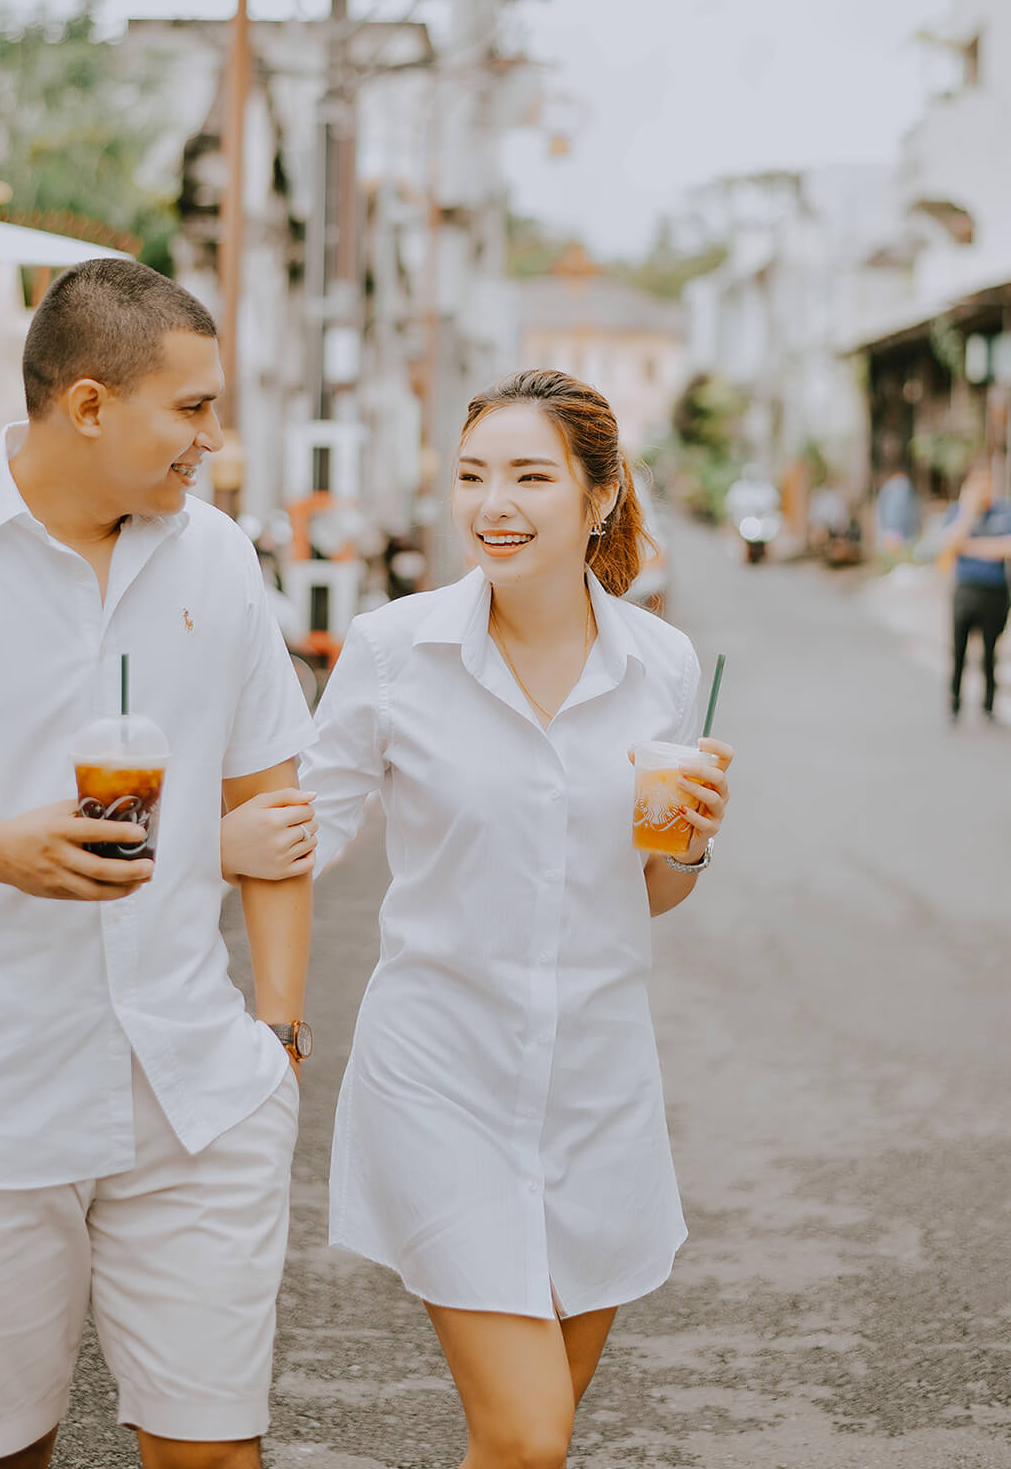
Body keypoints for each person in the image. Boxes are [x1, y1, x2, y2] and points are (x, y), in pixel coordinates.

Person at [0, 258, 322, 1469]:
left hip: (198, 1096)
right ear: (90, 405)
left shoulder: (217, 559)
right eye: (192, 407)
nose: (216, 436)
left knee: (214, 1452)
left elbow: (272, 789)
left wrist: (277, 1029)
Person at [226, 368, 732, 1469]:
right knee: (528, 1429)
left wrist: (689, 836)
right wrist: (202, 854)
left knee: (519, 1438)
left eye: (527, 475)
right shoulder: (394, 649)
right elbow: (302, 832)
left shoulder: (660, 663)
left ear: (598, 495)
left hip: (598, 1086)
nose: (491, 502)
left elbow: (653, 889)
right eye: (470, 475)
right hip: (442, 1073)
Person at [940, 454, 1011, 720]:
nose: (983, 488)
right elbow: (948, 548)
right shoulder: (958, 512)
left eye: (987, 482)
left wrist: (972, 547)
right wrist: (967, 512)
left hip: (994, 591)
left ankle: (989, 704)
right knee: (959, 650)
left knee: (990, 652)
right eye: (978, 483)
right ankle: (955, 699)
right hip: (965, 590)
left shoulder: (1007, 511)